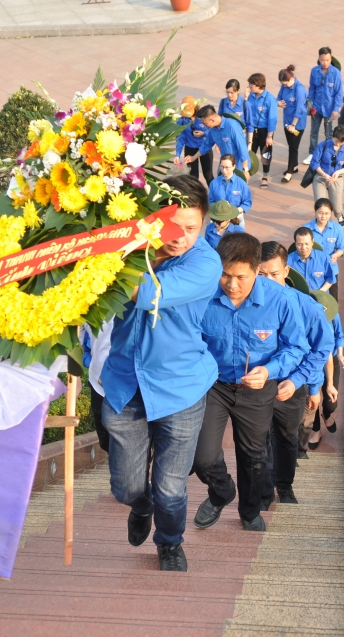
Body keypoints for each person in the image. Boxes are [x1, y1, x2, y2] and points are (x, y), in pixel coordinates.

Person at [100, 174, 222, 573]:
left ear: (203, 223)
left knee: (171, 488)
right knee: (126, 486)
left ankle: (169, 542)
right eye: (171, 224)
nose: (179, 236)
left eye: (191, 227)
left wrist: (96, 250)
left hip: (180, 388)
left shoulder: (205, 262)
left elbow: (147, 292)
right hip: (124, 384)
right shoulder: (136, 247)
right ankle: (140, 505)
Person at [192, 233, 309, 533]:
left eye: (240, 277)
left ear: (256, 270)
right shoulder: (204, 295)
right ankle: (221, 491)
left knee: (254, 455)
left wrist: (269, 371)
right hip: (214, 385)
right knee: (202, 455)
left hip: (257, 388)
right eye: (225, 275)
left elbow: (296, 347)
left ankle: (249, 510)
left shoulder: (280, 300)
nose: (232, 285)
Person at [257, 241, 333, 507]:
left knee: (287, 438)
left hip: (292, 383)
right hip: (258, 384)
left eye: (274, 274)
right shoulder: (247, 303)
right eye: (261, 274)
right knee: (259, 440)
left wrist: (307, 384)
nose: (267, 281)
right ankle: (263, 492)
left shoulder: (306, 306)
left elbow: (321, 348)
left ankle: (284, 485)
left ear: (286, 271)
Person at [305, 297, 344, 451]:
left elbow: (339, 336)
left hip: (330, 362)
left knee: (331, 402)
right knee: (311, 401)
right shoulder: (305, 320)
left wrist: (340, 355)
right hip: (311, 364)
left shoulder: (333, 315)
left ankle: (327, 414)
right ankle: (316, 431)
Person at [304, 47, 344, 165]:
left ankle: (328, 154)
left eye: (327, 60)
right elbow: (312, 89)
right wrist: (310, 104)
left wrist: (336, 109)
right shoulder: (314, 71)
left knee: (329, 133)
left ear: (331, 58)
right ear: (319, 59)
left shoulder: (335, 73)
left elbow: (338, 92)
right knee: (314, 132)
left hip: (329, 109)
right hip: (316, 108)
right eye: (322, 60)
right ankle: (312, 153)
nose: (325, 62)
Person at [187, 104, 251, 177]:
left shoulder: (232, 126)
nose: (204, 125)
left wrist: (245, 169)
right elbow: (205, 145)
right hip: (224, 166)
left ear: (212, 120)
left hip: (238, 167)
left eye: (205, 123)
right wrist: (193, 158)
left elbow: (242, 148)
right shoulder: (212, 130)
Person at [81, 320, 113, 452]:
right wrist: (87, 360)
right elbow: (78, 336)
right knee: (106, 442)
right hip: (99, 384)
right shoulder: (87, 303)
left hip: (132, 383)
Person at [310, 127, 344, 226]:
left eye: (340, 142)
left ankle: (339, 215)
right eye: (335, 140)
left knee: (337, 206)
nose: (337, 144)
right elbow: (314, 163)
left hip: (336, 180)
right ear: (333, 137)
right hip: (321, 178)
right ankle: (321, 221)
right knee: (320, 204)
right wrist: (324, 174)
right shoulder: (323, 145)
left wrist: (338, 172)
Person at [303, 198, 344, 291]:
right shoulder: (306, 228)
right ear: (315, 212)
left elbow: (341, 248)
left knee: (332, 301)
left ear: (331, 213)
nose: (323, 216)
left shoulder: (337, 228)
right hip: (312, 269)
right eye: (320, 213)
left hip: (331, 268)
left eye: (327, 213)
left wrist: (335, 255)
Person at [245, 73, 279, 189]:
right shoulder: (250, 96)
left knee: (265, 154)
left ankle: (265, 175)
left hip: (265, 131)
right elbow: (247, 111)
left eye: (251, 85)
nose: (249, 87)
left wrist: (270, 135)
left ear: (258, 85)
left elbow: (272, 118)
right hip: (252, 130)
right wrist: (245, 98)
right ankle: (247, 173)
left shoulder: (269, 98)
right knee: (249, 153)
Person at [277, 65, 309, 182]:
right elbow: (279, 97)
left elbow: (300, 109)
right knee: (291, 145)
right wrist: (278, 103)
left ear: (291, 79)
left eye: (285, 84)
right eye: (283, 84)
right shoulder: (284, 86)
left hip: (297, 124)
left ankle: (289, 172)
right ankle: (294, 166)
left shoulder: (299, 89)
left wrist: (293, 125)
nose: (284, 86)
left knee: (293, 147)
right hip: (287, 121)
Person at [174, 96, 213, 185]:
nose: (187, 115)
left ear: (195, 108)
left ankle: (214, 197)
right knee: (193, 178)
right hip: (190, 149)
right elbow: (180, 138)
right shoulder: (182, 120)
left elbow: (212, 130)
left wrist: (203, 133)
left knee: (208, 175)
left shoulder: (202, 117)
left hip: (204, 148)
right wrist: (177, 154)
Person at [208, 154, 252, 228]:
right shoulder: (214, 183)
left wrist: (234, 212)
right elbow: (211, 201)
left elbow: (247, 202)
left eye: (227, 167)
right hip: (218, 219)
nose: (224, 170)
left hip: (236, 218)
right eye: (222, 167)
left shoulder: (242, 184)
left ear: (234, 166)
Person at [287, 226, 337, 293]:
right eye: (300, 244)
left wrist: (319, 293)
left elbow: (330, 279)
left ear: (312, 241)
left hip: (319, 299)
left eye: (307, 244)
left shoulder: (324, 258)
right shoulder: (288, 261)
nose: (303, 247)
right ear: (295, 243)